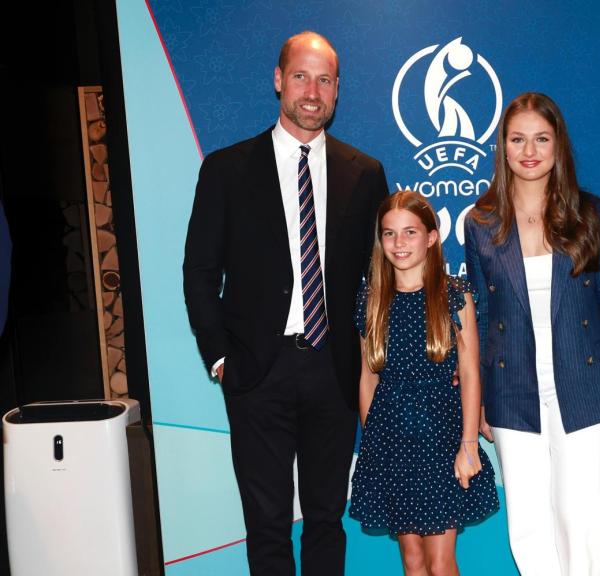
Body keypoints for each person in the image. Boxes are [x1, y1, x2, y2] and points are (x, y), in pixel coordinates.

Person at [182, 31, 387, 576]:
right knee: (267, 526)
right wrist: (221, 358)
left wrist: (371, 359)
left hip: (335, 372)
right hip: (256, 373)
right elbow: (200, 273)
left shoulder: (365, 174)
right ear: (278, 81)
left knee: (326, 520)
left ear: (338, 90)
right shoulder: (226, 170)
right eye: (301, 76)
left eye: (324, 80)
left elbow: (379, 277)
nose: (312, 91)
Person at [463, 92, 600, 576]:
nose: (529, 150)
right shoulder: (480, 222)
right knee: (528, 522)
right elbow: (482, 313)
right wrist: (485, 399)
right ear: (504, 148)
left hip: (586, 382)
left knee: (584, 518)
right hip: (513, 389)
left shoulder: (591, 213)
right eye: (518, 139)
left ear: (558, 145)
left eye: (541, 138)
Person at [349, 190, 498, 575]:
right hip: (392, 444)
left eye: (410, 232)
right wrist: (374, 446)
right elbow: (368, 377)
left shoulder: (453, 295)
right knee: (412, 562)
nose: (399, 243)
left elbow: (469, 373)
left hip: (441, 440)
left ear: (431, 237)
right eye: (389, 233)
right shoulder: (372, 299)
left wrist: (468, 445)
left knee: (440, 561)